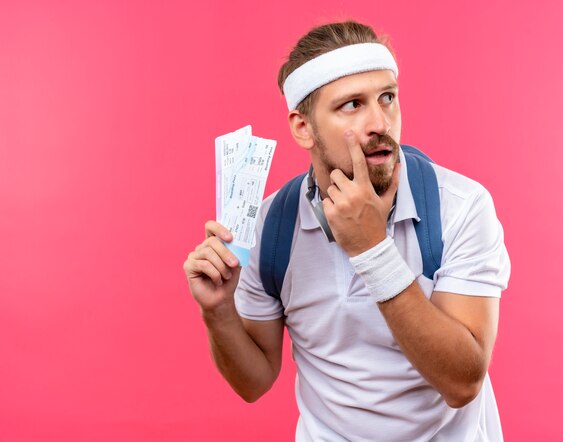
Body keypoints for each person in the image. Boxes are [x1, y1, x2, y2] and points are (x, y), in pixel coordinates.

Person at [184, 21, 511, 441]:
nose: (381, 122)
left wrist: (372, 248)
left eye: (387, 98)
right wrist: (219, 312)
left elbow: (463, 383)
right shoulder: (271, 228)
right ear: (303, 127)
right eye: (352, 105)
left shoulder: (461, 207)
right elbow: (254, 383)